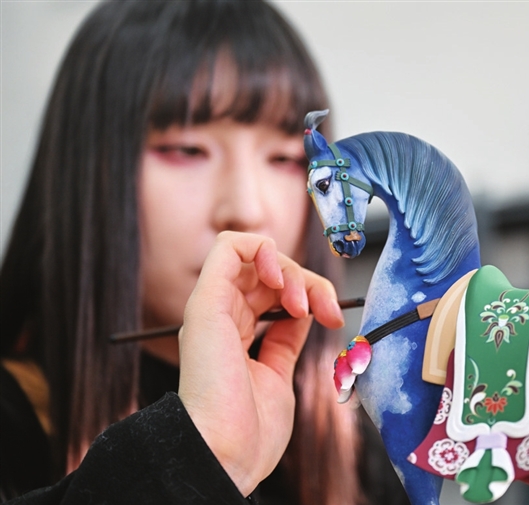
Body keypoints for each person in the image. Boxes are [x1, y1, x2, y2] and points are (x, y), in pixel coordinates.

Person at [0, 1, 409, 504]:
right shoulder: (14, 422)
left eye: (284, 158)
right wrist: (196, 457)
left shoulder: (351, 437)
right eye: (187, 150)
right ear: (86, 170)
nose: (246, 209)